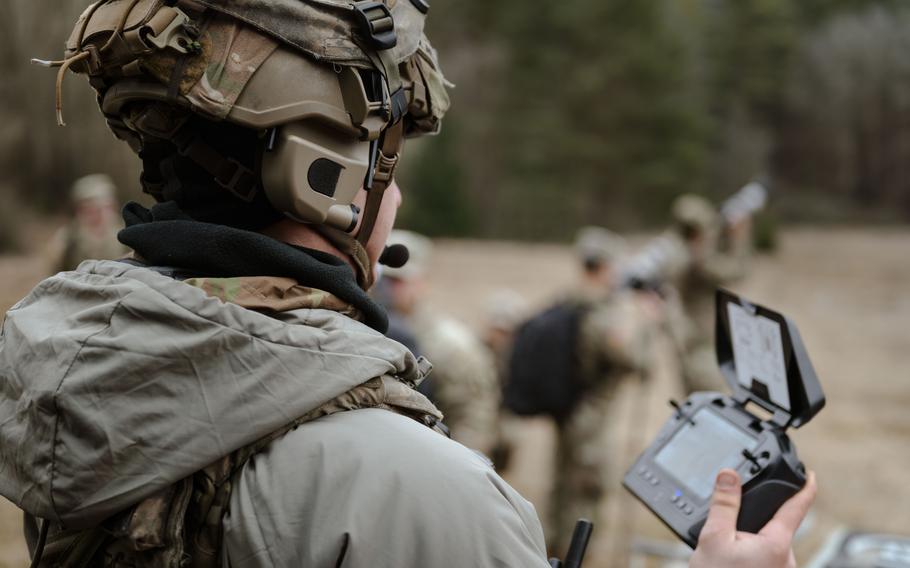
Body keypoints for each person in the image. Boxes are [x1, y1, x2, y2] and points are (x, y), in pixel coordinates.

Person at [0, 2, 814, 566]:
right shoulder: (417, 492)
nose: (396, 197)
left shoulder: (70, 379)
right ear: (324, 174)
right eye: (387, 162)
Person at [545, 226, 656, 552]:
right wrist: (647, 321)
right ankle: (573, 556)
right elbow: (635, 360)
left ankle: (549, 553)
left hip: (568, 412)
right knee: (586, 496)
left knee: (563, 489)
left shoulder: (569, 300)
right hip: (590, 421)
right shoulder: (602, 313)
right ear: (605, 266)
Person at [380, 229, 501, 456]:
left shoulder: (452, 346)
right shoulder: (359, 329)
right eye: (383, 280)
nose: (387, 289)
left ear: (422, 282)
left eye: (397, 281)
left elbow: (473, 420)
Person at [47, 173, 129, 273]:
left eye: (104, 207)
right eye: (90, 209)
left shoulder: (127, 236)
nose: (99, 215)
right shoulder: (67, 238)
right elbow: (53, 278)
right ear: (79, 211)